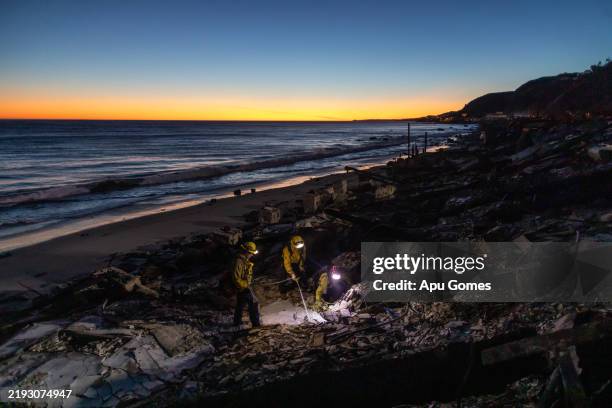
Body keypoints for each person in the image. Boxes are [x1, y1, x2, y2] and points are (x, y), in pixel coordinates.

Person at [232, 241, 260, 328]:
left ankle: (237, 323)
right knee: (254, 303)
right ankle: (256, 325)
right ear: (245, 252)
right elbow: (236, 278)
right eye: (250, 253)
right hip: (242, 287)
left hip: (242, 286)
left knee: (240, 304)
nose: (251, 255)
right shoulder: (239, 262)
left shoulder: (244, 260)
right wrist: (246, 285)